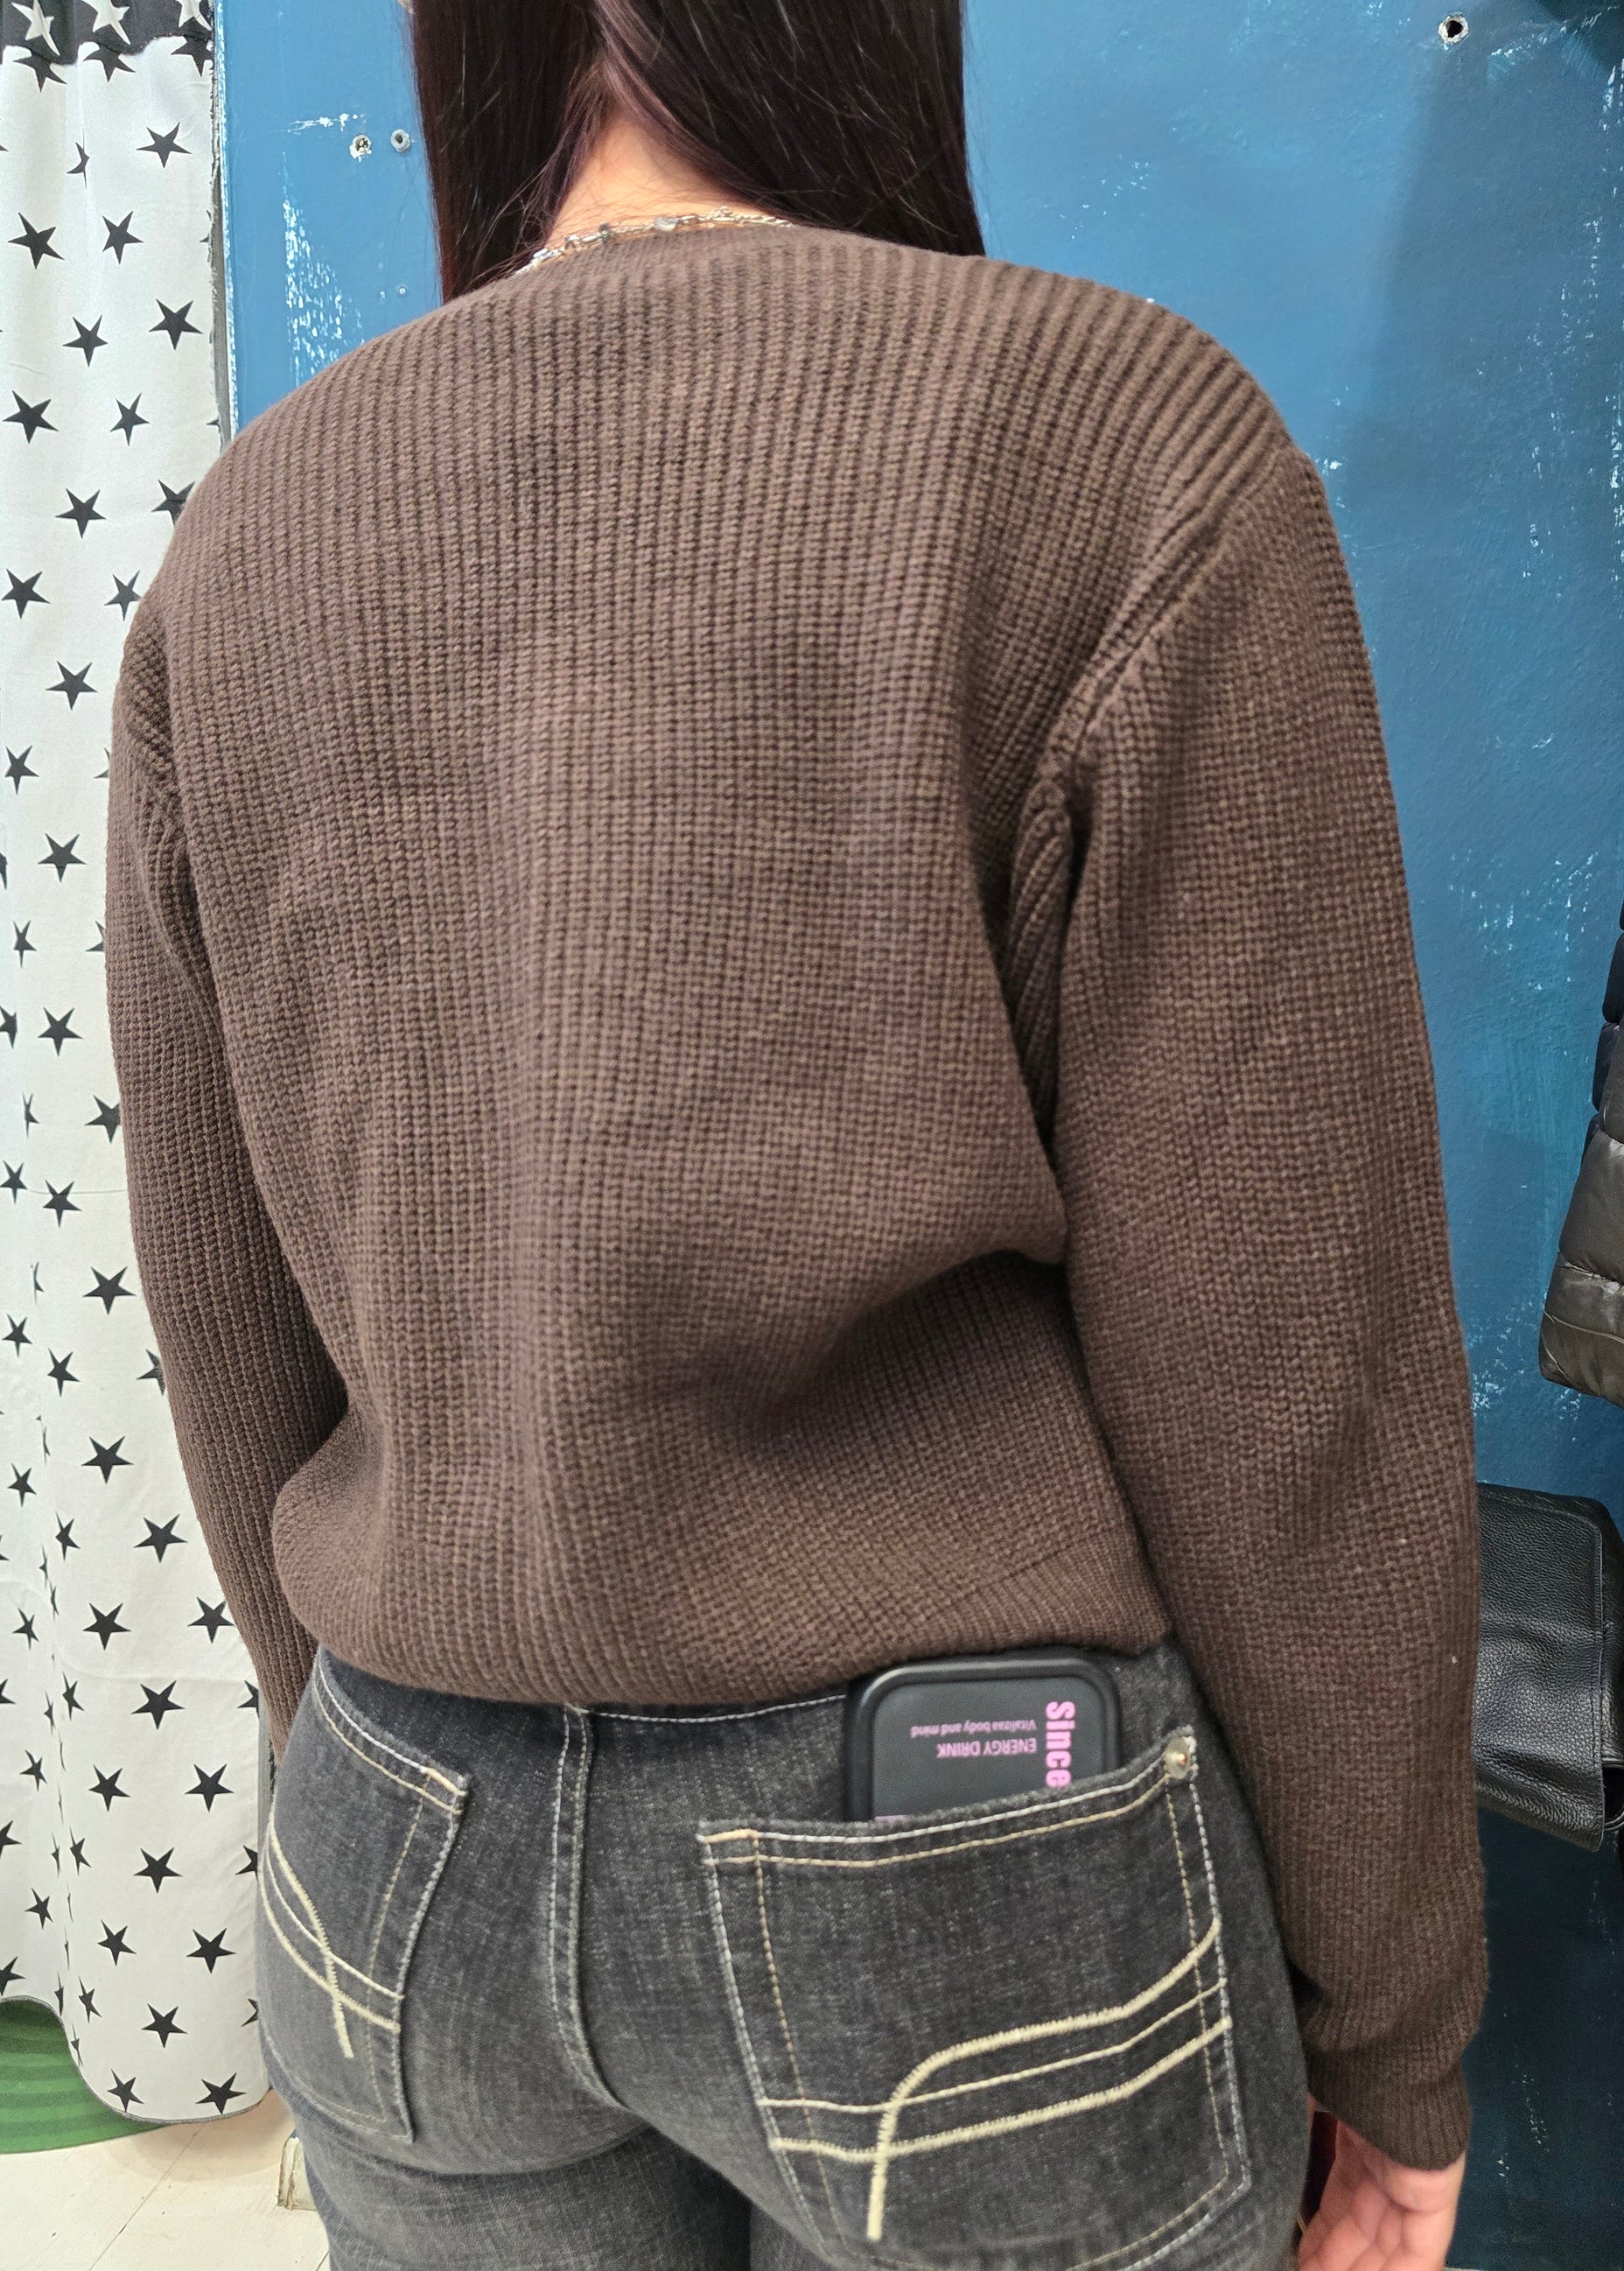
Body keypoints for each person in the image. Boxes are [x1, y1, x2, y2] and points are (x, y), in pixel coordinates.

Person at [102, 4, 1486, 2267]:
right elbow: (1285, 1365)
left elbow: (227, 1311)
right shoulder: (1117, 442)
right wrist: (1392, 2018)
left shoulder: (253, 529)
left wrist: (374, 1749)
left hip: (401, 1822)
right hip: (961, 1844)